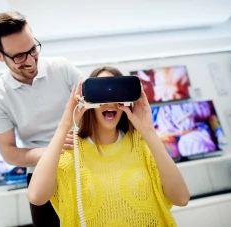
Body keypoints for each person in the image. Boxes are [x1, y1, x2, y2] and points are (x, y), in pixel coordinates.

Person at [27, 66, 190, 227]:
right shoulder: (70, 152)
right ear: (87, 99)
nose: (110, 99)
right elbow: (36, 196)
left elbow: (181, 198)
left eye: (116, 91)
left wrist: (148, 131)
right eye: (102, 91)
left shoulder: (143, 145)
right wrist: (65, 124)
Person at [0, 11, 81, 227]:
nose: (30, 60)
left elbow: (93, 108)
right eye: (19, 56)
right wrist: (53, 151)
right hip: (41, 174)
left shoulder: (62, 68)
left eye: (32, 49)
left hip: (83, 162)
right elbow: (9, 153)